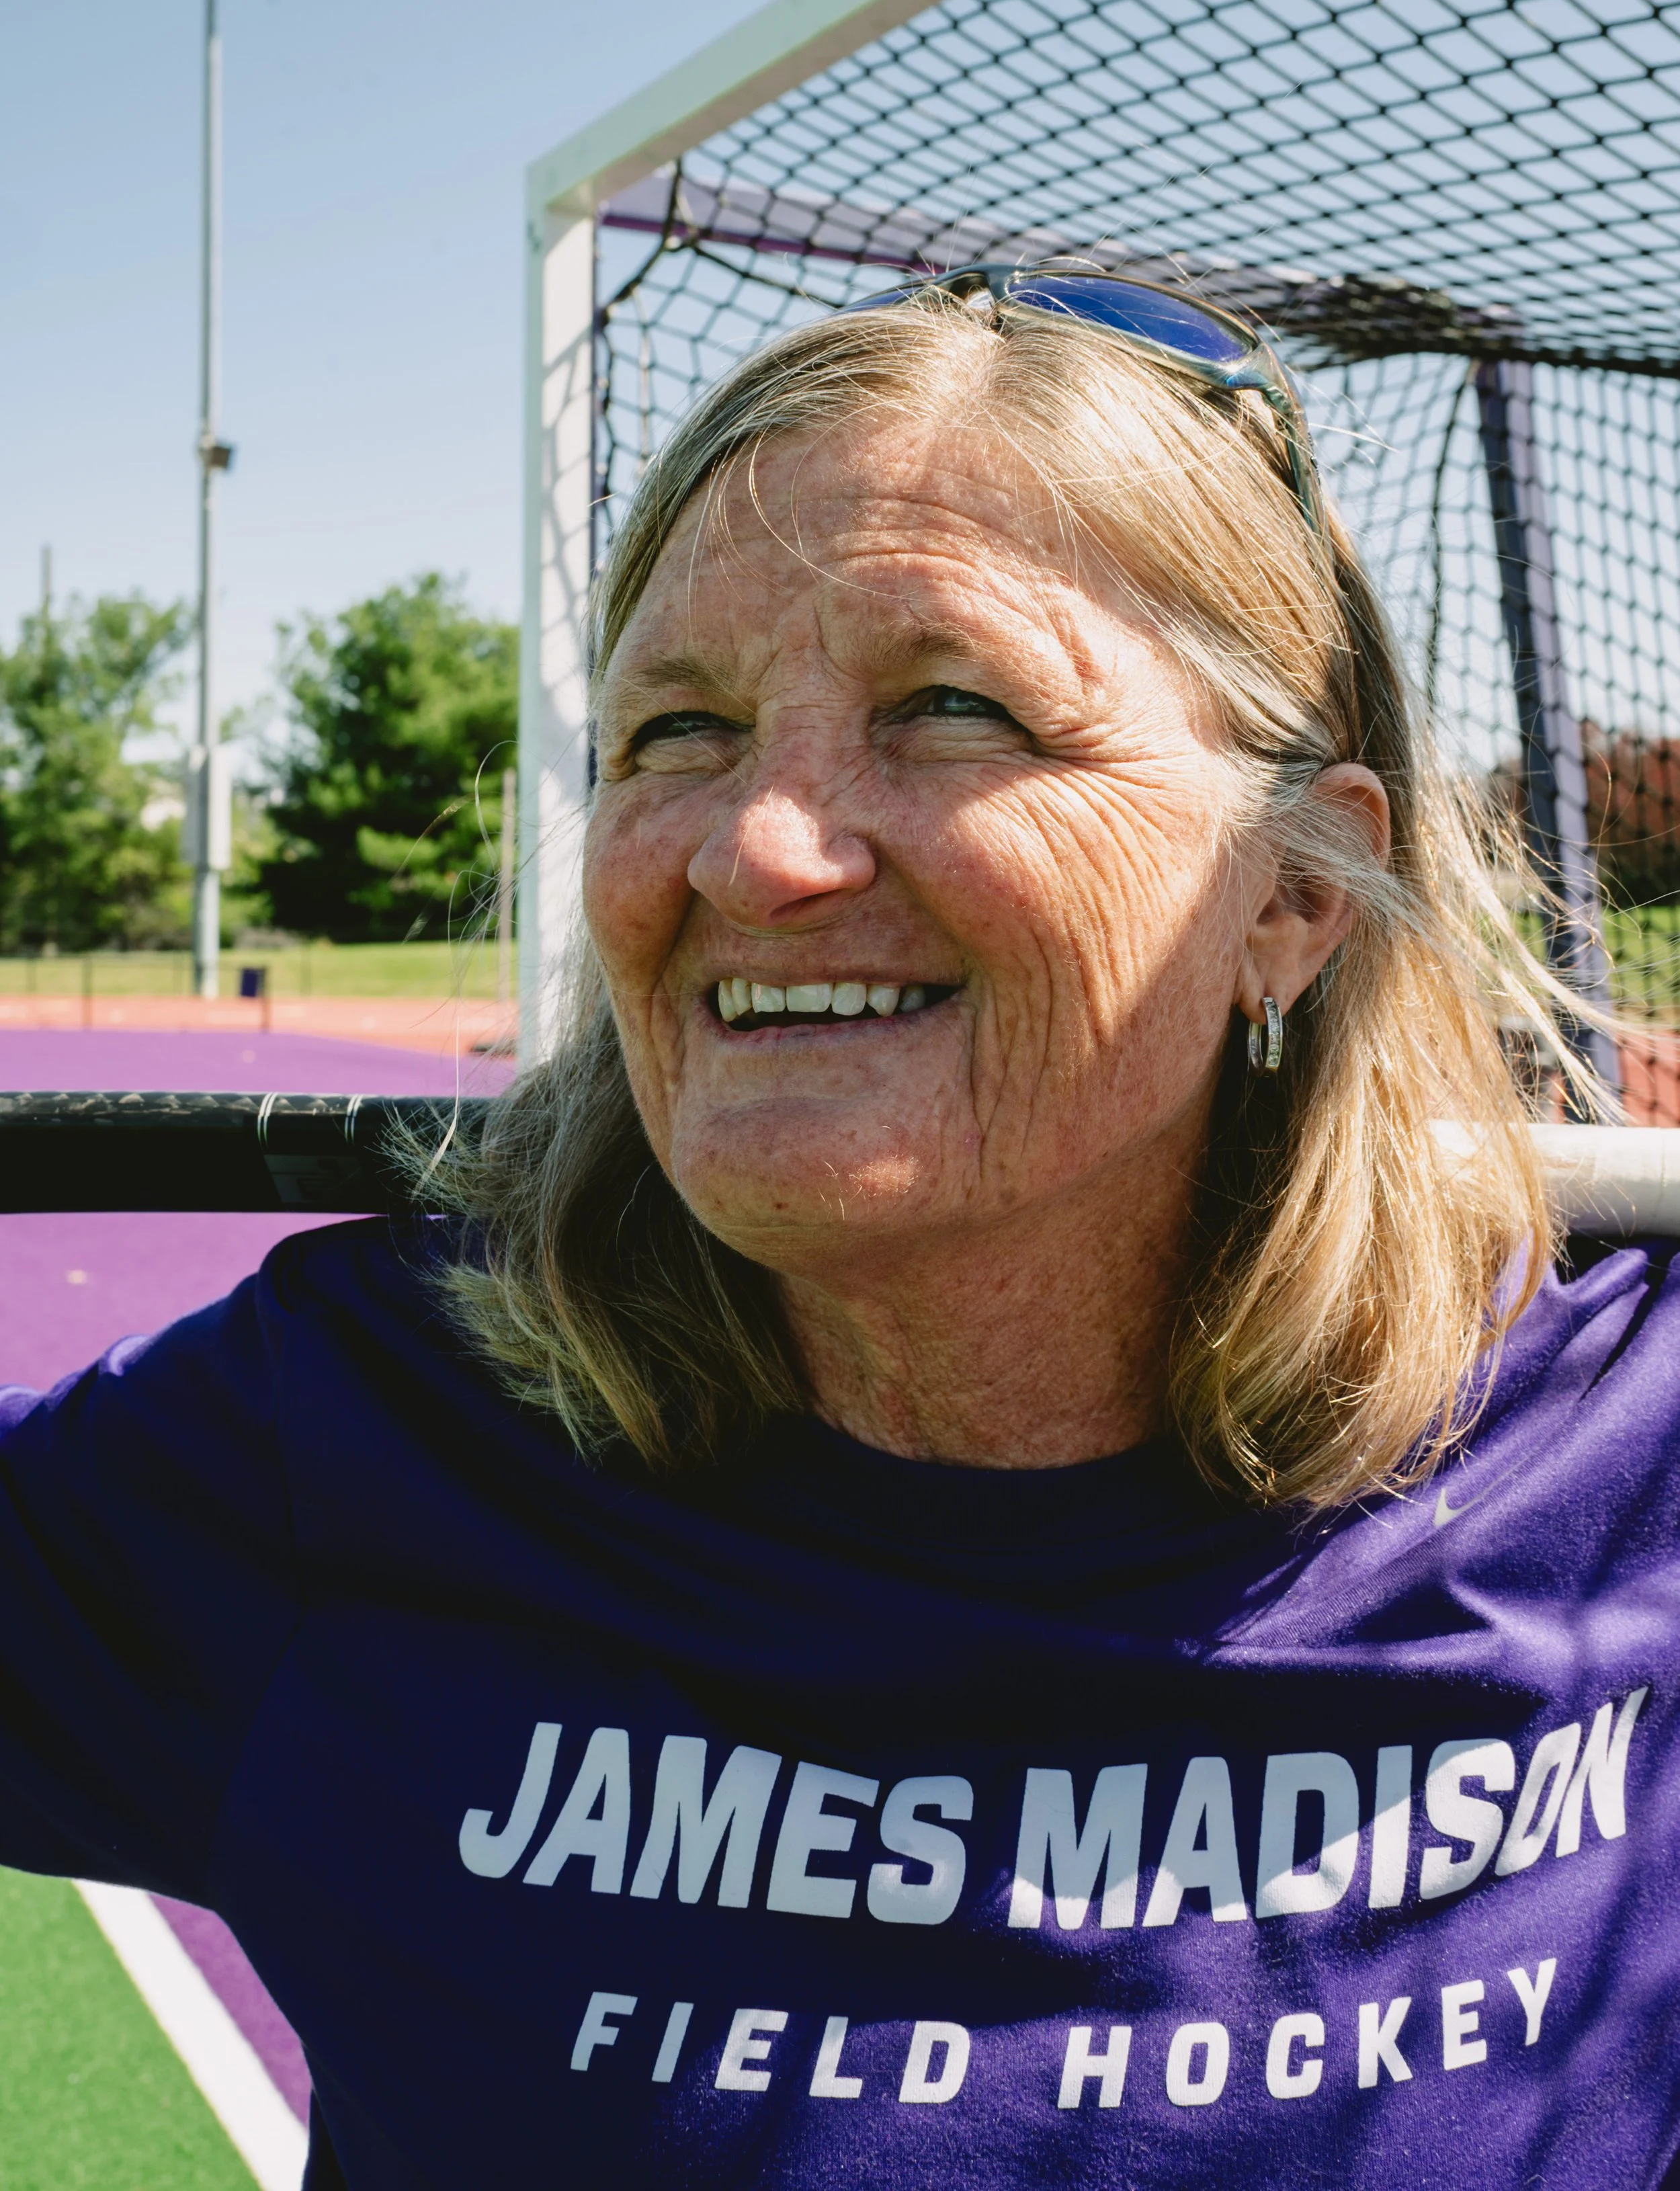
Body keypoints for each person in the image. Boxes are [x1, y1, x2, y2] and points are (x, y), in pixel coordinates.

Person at [1, 266, 1673, 2191]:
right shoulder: (350, 1434)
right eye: (676, 732)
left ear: (1294, 896)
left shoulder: (1626, 1442)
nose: (755, 850)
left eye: (952, 706)